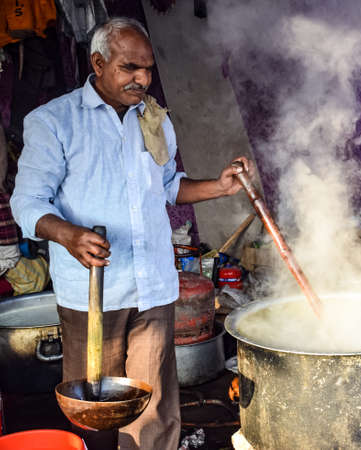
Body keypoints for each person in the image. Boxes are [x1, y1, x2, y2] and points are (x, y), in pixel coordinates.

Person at [11, 17, 251, 450]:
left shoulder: (154, 119)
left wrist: (219, 186)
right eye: (130, 68)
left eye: (148, 69)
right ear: (98, 63)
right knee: (96, 404)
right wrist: (67, 235)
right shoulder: (54, 122)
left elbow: (167, 186)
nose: (142, 79)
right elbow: (27, 203)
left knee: (153, 403)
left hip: (153, 285)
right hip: (93, 292)